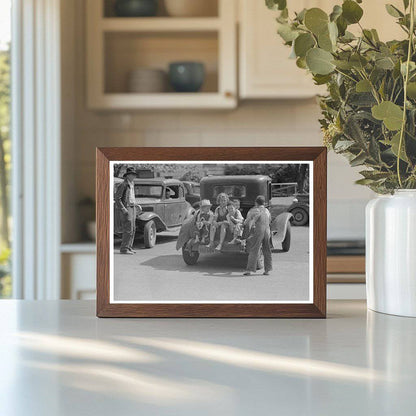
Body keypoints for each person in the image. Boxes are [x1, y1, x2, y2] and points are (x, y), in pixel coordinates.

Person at [115, 167, 142, 254]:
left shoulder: (131, 184)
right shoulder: (123, 184)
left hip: (132, 207)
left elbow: (131, 197)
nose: (134, 176)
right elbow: (117, 198)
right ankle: (124, 249)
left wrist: (135, 204)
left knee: (133, 229)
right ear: (128, 175)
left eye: (134, 174)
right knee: (128, 229)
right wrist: (123, 209)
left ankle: (129, 247)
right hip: (127, 208)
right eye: (132, 174)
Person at [244, 195, 272, 276]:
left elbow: (247, 221)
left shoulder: (253, 210)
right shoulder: (267, 210)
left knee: (254, 249)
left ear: (256, 202)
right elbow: (269, 220)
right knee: (267, 249)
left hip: (258, 230)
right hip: (267, 230)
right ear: (264, 203)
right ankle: (267, 270)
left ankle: (249, 270)